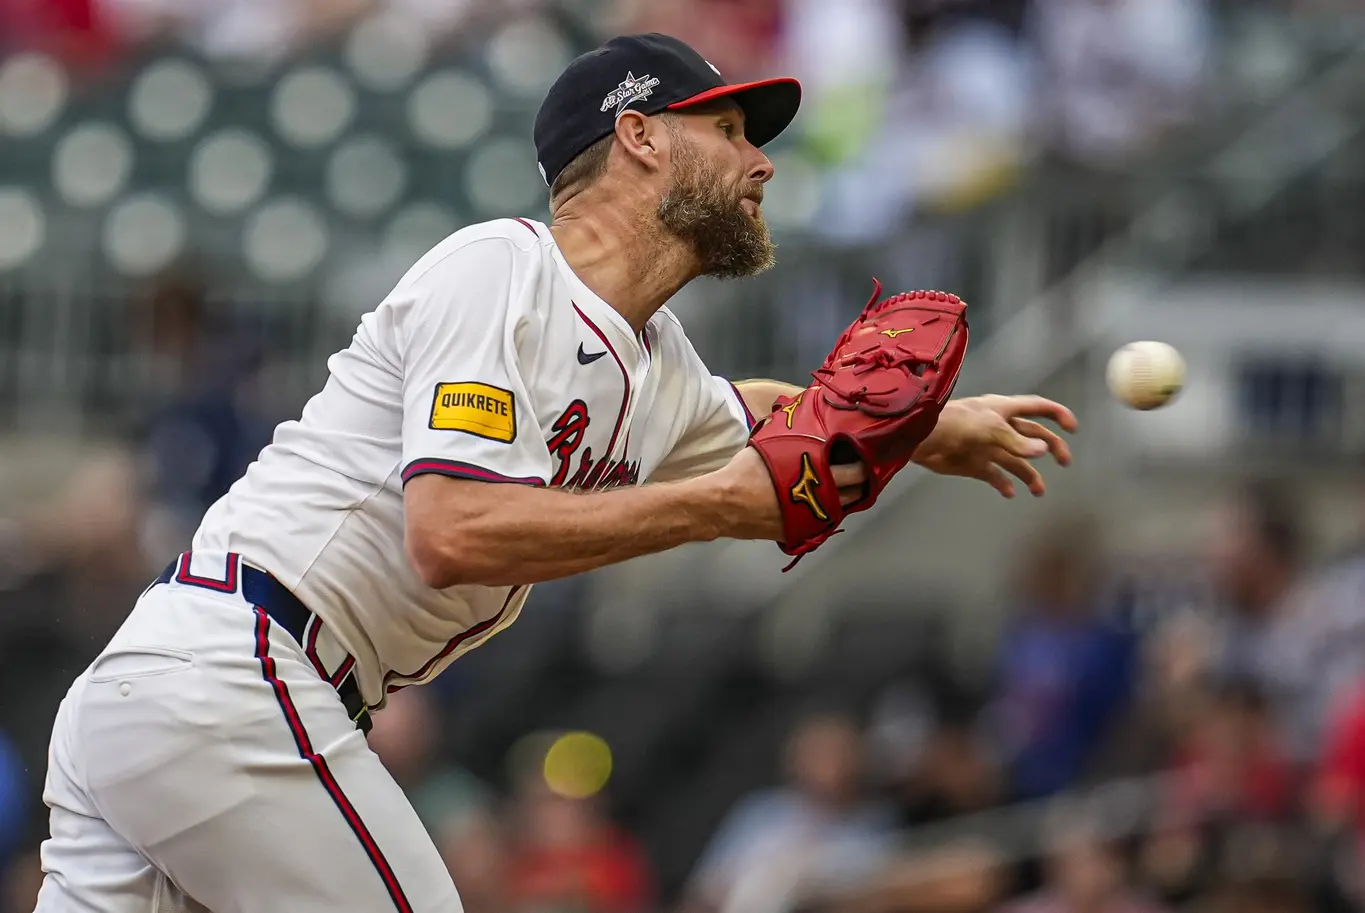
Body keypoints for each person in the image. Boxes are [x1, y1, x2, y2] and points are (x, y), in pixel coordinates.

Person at [32, 32, 1076, 913]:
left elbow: (760, 415)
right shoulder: (504, 273)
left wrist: (931, 426)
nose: (760, 165)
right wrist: (716, 507)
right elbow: (451, 535)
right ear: (639, 135)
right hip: (232, 669)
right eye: (729, 130)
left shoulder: (655, 361)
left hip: (183, 693)